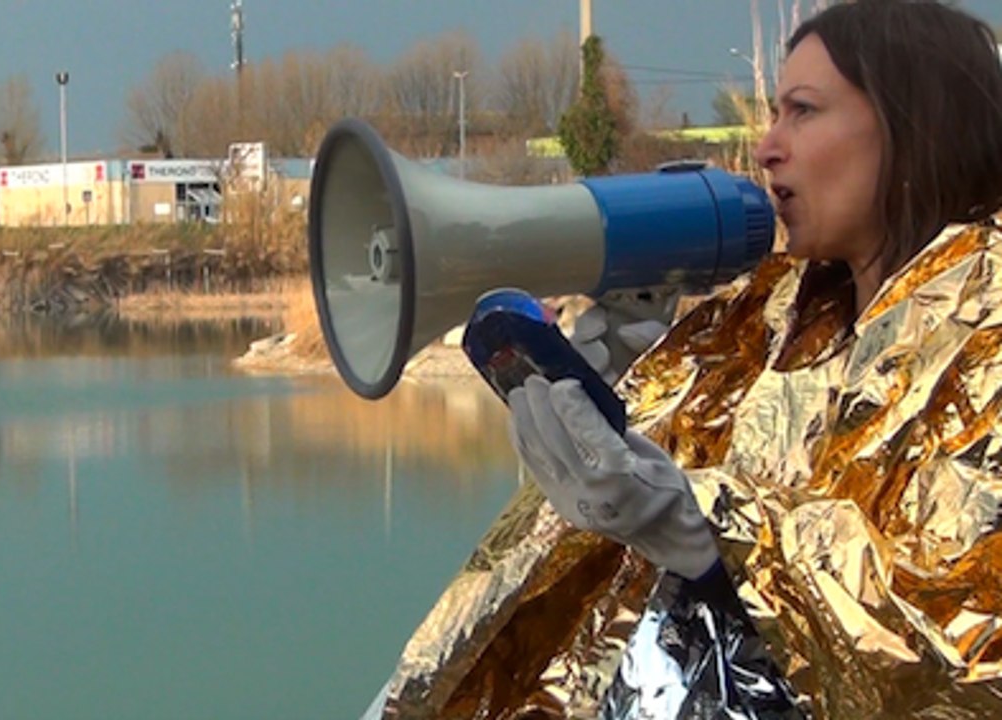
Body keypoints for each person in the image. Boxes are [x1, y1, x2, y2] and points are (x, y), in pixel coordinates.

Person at [371, 2, 1002, 718]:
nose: (766, 147)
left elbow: (958, 655)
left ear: (910, 129)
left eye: (801, 111)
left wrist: (712, 533)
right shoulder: (767, 319)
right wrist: (624, 402)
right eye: (772, 114)